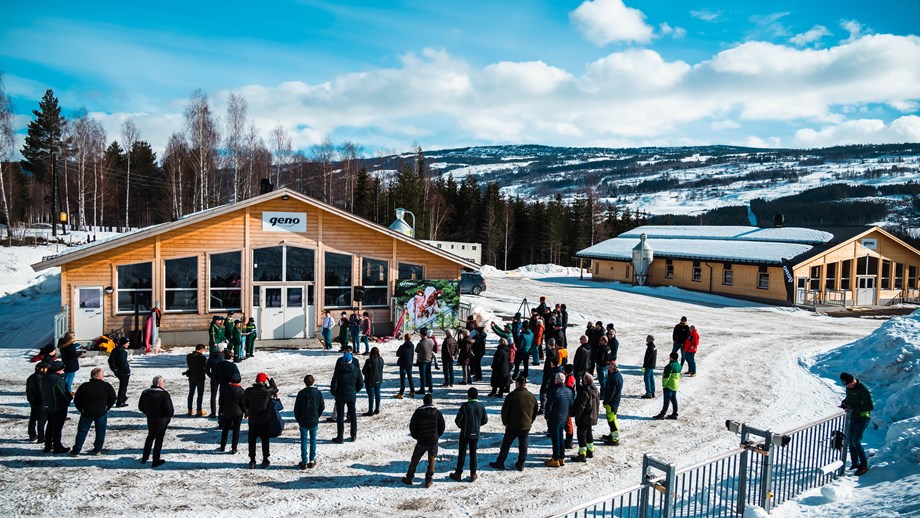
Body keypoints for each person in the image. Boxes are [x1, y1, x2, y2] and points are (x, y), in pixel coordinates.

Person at [490, 376, 538, 471]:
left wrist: (505, 422)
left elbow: (505, 411)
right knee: (523, 445)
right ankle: (521, 463)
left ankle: (500, 462)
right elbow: (535, 410)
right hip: (526, 425)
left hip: (513, 425)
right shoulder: (531, 396)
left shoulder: (511, 396)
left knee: (506, 444)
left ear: (517, 383)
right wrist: (530, 421)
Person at [401, 394, 445, 488]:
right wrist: (437, 435)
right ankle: (428, 480)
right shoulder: (437, 412)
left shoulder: (418, 412)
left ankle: (409, 477)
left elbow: (412, 426)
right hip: (433, 440)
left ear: (424, 401)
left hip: (422, 440)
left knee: (415, 459)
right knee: (432, 460)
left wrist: (416, 436)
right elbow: (442, 426)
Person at [71, 367, 116, 456]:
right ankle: (97, 449)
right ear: (100, 376)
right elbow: (113, 397)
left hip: (86, 412)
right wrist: (107, 407)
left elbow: (77, 400)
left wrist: (81, 409)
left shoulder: (84, 386)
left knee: (82, 431)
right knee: (100, 431)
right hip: (101, 412)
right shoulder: (106, 386)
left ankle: (77, 449)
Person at [450, 387, 488, 482]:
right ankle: (473, 473)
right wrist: (477, 425)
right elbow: (485, 420)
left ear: (469, 396)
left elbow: (457, 420)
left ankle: (458, 473)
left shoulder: (465, 406)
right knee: (473, 453)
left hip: (465, 433)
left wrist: (462, 427)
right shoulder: (481, 406)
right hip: (476, 434)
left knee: (462, 453)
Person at [840, 372, 874, 476]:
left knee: (856, 440)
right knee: (850, 439)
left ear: (853, 380)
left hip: (863, 417)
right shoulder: (849, 387)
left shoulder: (863, 389)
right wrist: (845, 402)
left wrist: (853, 409)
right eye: (845, 385)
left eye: (848, 384)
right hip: (854, 416)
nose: (847, 387)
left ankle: (863, 465)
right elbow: (850, 398)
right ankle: (854, 463)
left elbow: (870, 406)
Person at [243, 372, 279, 469]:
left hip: (253, 418)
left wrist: (247, 411)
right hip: (265, 418)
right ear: (264, 380)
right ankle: (265, 459)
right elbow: (275, 388)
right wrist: (270, 379)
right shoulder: (267, 391)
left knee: (252, 440)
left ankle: (252, 460)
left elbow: (244, 402)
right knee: (265, 440)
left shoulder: (249, 391)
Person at [138, 375, 174, 467]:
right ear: (160, 383)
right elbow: (169, 410)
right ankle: (156, 460)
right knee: (159, 440)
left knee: (150, 437)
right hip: (162, 420)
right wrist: (167, 417)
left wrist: (148, 413)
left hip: (150, 419)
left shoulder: (145, 393)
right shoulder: (164, 394)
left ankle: (145, 457)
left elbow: (140, 407)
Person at [330, 346, 364, 443]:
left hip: (340, 396)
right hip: (351, 395)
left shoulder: (338, 370)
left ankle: (340, 436)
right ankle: (353, 435)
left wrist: (334, 393)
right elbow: (361, 383)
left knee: (340, 416)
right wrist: (355, 390)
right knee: (352, 415)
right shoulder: (356, 370)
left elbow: (334, 384)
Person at [294, 374, 325, 469]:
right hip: (313, 420)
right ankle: (312, 460)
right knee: (313, 440)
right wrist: (317, 416)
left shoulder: (301, 393)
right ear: (313, 382)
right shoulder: (318, 393)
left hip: (303, 420)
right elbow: (322, 407)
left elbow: (296, 409)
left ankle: (304, 462)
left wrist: (298, 419)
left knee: (303, 441)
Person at [41, 360, 72, 453]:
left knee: (50, 425)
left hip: (47, 405)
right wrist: (70, 397)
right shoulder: (57, 380)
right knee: (57, 428)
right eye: (62, 369)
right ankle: (57, 447)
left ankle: (48, 445)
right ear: (58, 370)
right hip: (58, 406)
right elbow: (64, 394)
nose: (63, 371)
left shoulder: (45, 377)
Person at [545, 372, 575, 467]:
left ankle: (556, 458)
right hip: (564, 417)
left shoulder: (554, 391)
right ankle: (562, 457)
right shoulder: (569, 391)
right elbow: (571, 405)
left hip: (555, 417)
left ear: (557, 380)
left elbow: (549, 406)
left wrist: (547, 417)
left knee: (555, 439)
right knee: (561, 437)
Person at [571, 372, 600, 462]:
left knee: (581, 435)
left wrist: (577, 417)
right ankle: (590, 451)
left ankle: (582, 454)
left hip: (584, 417)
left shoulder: (585, 392)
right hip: (592, 416)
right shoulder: (595, 390)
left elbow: (581, 407)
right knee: (589, 434)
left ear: (585, 381)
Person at [218, 371, 244, 454]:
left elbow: (221, 401)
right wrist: (246, 412)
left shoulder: (225, 389)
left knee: (225, 429)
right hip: (238, 412)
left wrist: (221, 410)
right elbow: (243, 403)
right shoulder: (241, 391)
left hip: (227, 411)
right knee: (236, 430)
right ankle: (234, 447)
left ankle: (222, 446)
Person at [653, 352, 681, 420]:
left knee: (666, 401)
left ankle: (662, 414)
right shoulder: (679, 365)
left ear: (671, 357)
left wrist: (664, 386)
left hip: (669, 386)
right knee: (674, 399)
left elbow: (666, 377)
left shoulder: (670, 366)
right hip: (675, 385)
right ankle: (675, 413)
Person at [602, 362, 624, 446]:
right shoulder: (617, 375)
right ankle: (612, 435)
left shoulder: (614, 378)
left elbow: (611, 393)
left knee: (611, 421)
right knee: (612, 419)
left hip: (611, 403)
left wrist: (606, 402)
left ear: (612, 368)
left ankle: (615, 439)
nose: (608, 368)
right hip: (615, 401)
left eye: (609, 366)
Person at [26, 361, 48, 443]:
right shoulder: (40, 379)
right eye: (46, 368)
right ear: (42, 369)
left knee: (33, 418)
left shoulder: (31, 377)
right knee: (41, 421)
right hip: (40, 402)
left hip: (33, 402)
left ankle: (32, 434)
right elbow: (41, 392)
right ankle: (41, 437)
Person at [538, 338, 560, 415]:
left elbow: (552, 362)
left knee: (543, 391)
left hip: (549, 374)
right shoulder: (557, 351)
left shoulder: (551, 352)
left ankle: (543, 408)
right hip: (553, 373)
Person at [108, 336, 131, 407]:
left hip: (117, 371)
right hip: (123, 372)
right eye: (127, 343)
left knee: (122, 386)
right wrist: (127, 371)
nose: (128, 344)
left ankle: (123, 398)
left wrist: (113, 369)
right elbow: (123, 363)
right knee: (123, 387)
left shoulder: (114, 350)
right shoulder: (123, 352)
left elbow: (110, 361)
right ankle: (120, 402)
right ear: (124, 343)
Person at [185, 344, 208, 416]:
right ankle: (199, 410)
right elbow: (205, 366)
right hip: (200, 377)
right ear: (201, 350)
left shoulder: (189, 356)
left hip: (191, 376)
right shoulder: (202, 358)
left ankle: (190, 410)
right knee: (200, 394)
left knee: (191, 393)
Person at [362, 347, 384, 416]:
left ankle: (370, 410)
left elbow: (364, 371)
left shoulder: (369, 361)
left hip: (370, 380)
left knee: (371, 396)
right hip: (378, 379)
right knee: (377, 395)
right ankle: (377, 409)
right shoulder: (381, 360)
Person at [395, 334, 416, 399]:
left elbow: (397, 354)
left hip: (403, 363)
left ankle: (401, 393)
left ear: (405, 338)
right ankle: (412, 391)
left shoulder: (402, 346)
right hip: (409, 363)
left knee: (403, 379)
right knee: (410, 377)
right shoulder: (412, 345)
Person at [415, 329, 435, 395]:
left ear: (421, 335)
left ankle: (422, 389)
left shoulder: (420, 343)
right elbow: (433, 346)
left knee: (422, 375)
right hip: (429, 359)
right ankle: (430, 387)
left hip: (422, 360)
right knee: (429, 374)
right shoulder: (431, 341)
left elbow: (416, 350)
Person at [205, 347, 222, 417]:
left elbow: (207, 369)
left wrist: (210, 375)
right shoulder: (223, 357)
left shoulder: (211, 358)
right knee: (222, 395)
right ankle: (221, 412)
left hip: (214, 377)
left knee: (213, 395)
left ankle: (213, 412)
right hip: (222, 377)